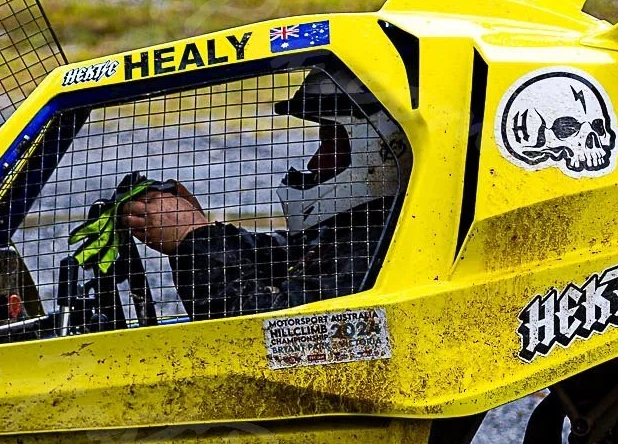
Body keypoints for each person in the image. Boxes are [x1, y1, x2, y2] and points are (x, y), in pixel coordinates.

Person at [120, 62, 408, 321]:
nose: (314, 162)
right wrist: (199, 232)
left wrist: (194, 238)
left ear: (379, 147)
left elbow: (272, 331)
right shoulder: (364, 228)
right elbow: (285, 254)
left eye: (331, 144)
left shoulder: (382, 247)